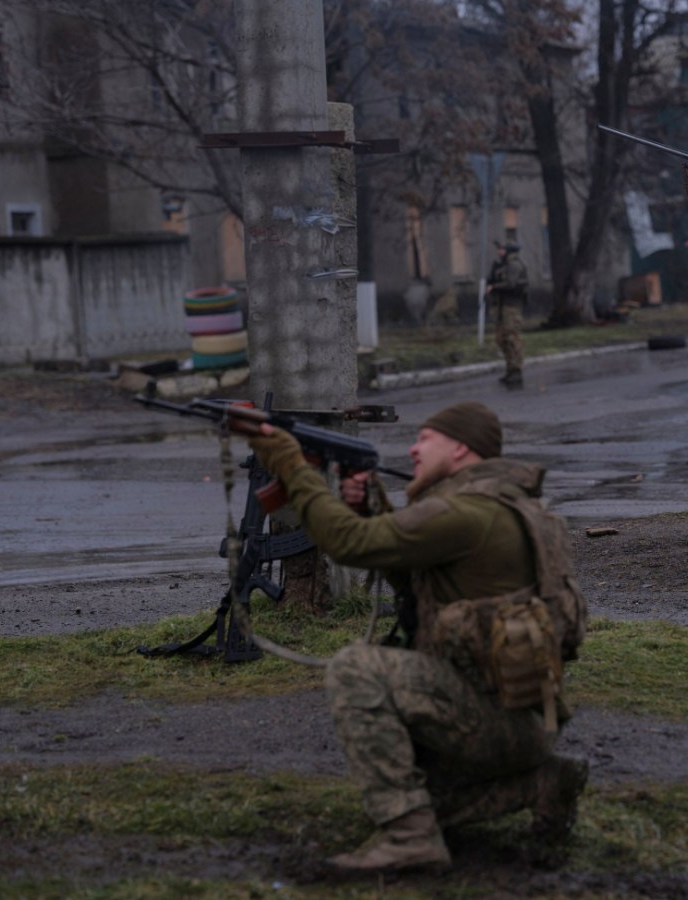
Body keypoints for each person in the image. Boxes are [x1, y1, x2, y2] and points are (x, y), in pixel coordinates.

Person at [247, 401, 588, 876]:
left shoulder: (464, 512)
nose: (412, 448)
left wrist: (288, 463)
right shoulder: (508, 506)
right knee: (425, 802)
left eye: (426, 439)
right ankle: (541, 783)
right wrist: (370, 508)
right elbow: (415, 580)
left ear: (462, 448)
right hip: (524, 717)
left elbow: (349, 544)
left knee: (358, 667)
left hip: (494, 718)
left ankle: (409, 839)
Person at [486, 240, 529, 387]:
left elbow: (510, 284)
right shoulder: (502, 266)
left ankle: (516, 370)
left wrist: (494, 287)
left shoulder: (514, 265)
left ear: (510, 251)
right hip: (502, 306)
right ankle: (510, 369)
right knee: (501, 339)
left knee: (511, 337)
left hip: (512, 307)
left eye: (502, 249)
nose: (499, 252)